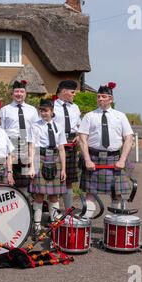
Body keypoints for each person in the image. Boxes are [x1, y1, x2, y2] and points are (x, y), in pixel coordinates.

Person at [78, 82, 134, 218]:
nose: (100, 99)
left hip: (113, 159)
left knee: (116, 192)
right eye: (98, 97)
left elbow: (129, 138)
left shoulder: (120, 116)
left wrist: (122, 160)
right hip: (94, 158)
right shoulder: (89, 116)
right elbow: (82, 139)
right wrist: (87, 160)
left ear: (111, 99)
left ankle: (117, 225)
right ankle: (85, 227)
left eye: (103, 97)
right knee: (90, 193)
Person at [28, 98, 67, 238]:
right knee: (38, 195)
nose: (43, 113)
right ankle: (37, 226)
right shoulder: (35, 126)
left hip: (55, 159)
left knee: (54, 195)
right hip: (40, 158)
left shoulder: (58, 127)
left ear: (52, 111)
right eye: (41, 111)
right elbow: (31, 147)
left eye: (45, 111)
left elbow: (61, 149)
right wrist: (31, 167)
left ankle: (54, 226)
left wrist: (63, 169)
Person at [0, 80, 39, 196]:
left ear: (25, 93)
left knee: (25, 181)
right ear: (12, 93)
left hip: (27, 146)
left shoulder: (32, 110)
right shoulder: (5, 110)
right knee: (9, 179)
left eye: (22, 91)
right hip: (10, 146)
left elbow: (35, 131)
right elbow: (1, 131)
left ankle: (24, 205)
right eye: (16, 91)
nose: (19, 94)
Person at [53, 80, 82, 211]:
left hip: (70, 144)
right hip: (55, 145)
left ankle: (68, 212)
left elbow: (79, 125)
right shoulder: (52, 106)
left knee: (68, 180)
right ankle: (54, 214)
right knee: (53, 179)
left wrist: (78, 134)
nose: (74, 95)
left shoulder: (74, 107)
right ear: (63, 91)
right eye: (72, 92)